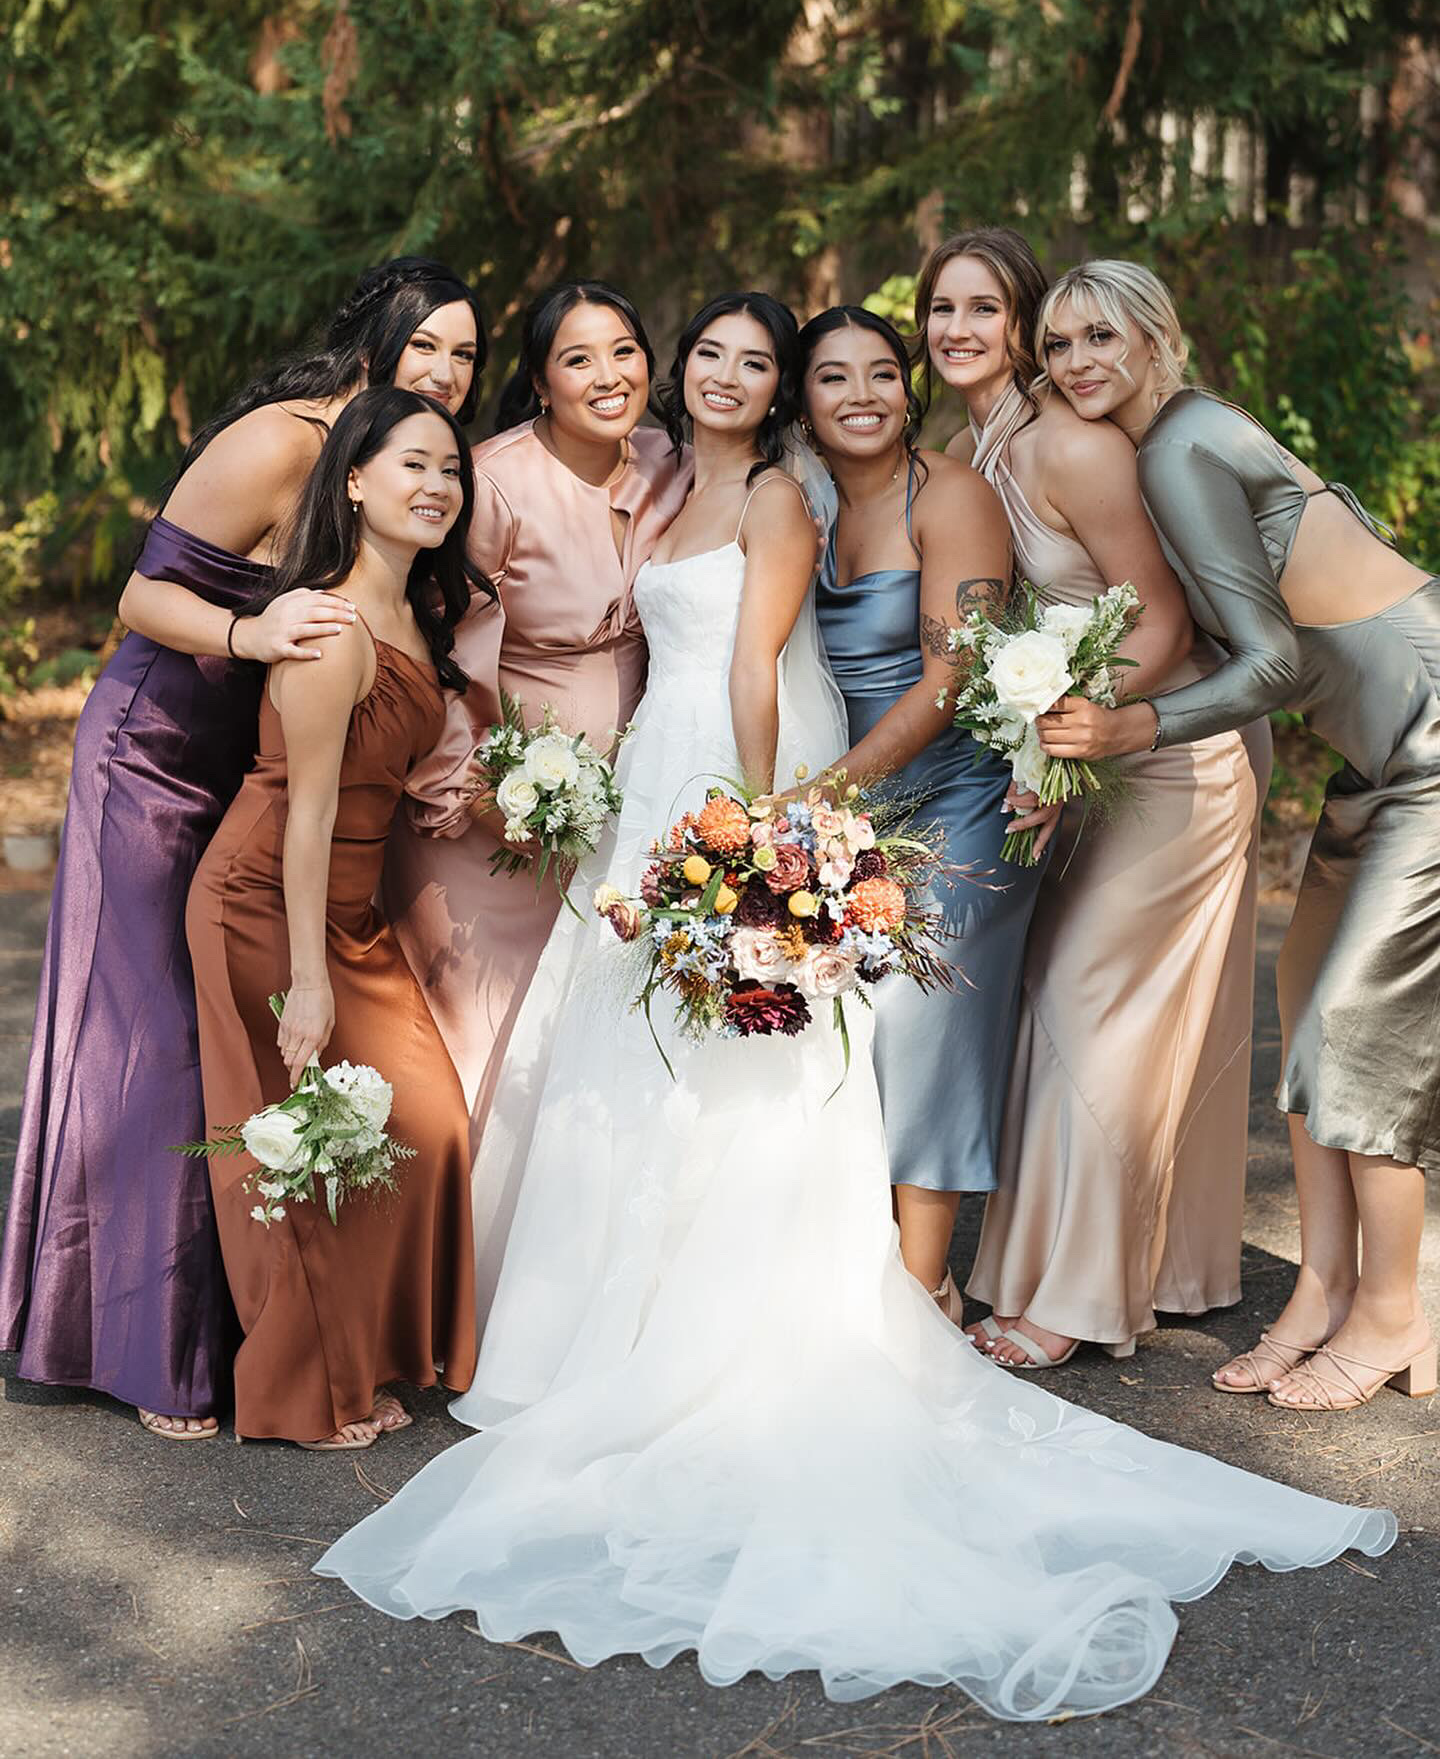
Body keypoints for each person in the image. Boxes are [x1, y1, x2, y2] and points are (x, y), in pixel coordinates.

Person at [315, 306, 1394, 1721]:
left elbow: (764, 665)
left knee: (756, 1054)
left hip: (753, 769)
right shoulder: (673, 482)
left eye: (764, 364)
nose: (733, 378)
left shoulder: (781, 494)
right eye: (725, 357)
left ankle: (799, 1300)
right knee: (635, 1057)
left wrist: (760, 820)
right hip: (668, 765)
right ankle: (604, 1320)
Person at [0, 258, 483, 1441]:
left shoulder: (407, 467)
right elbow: (140, 598)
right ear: (373, 341)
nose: (445, 371)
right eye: (425, 344)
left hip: (252, 764)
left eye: (466, 354)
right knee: (155, 1043)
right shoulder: (284, 441)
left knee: (235, 1055)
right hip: (157, 753)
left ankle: (255, 1335)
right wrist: (250, 630)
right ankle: (142, 1351)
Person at [1035, 259, 1437, 1413]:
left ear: (1155, 335)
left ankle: (1395, 1313)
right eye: (1058, 345)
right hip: (1380, 761)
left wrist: (1132, 726)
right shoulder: (1182, 440)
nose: (1079, 361)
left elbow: (1267, 663)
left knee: (1357, 1033)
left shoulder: (1180, 446)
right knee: (1307, 1020)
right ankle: (1323, 1292)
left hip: (1431, 745)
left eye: (1101, 335)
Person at [919, 229, 1267, 1369]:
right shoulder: (970, 447)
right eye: (942, 309)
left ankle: (1072, 1300)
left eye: (986, 309)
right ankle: (1129, 1265)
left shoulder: (1073, 445)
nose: (960, 330)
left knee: (1087, 1005)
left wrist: (1062, 744)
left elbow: (1159, 620)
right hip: (1088, 752)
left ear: (1017, 324)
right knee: (1072, 1007)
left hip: (1168, 757)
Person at [186, 388, 482, 1450]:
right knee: (301, 1148)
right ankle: (305, 1391)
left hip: (346, 910)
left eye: (450, 468)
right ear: (353, 479)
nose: (436, 485)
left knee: (431, 1123)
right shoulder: (330, 626)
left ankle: (375, 1350)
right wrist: (308, 982)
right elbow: (308, 815)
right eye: (412, 463)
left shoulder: (418, 613)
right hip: (265, 904)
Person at [380, 284, 690, 1256]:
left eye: (625, 350)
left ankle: (558, 1282)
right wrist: (474, 797)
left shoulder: (670, 460)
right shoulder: (495, 483)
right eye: (578, 359)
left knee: (581, 1045)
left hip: (629, 803)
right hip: (497, 811)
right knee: (491, 1044)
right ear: (542, 381)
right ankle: (455, 1288)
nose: (609, 376)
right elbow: (443, 653)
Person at [799, 305, 1045, 1315]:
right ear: (801, 402)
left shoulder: (951, 495)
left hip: (960, 796)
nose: (862, 395)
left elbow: (953, 677)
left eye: (881, 373)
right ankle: (854, 1259)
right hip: (854, 803)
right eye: (833, 376)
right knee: (831, 1011)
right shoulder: (801, 501)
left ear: (909, 390)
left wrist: (825, 792)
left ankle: (922, 1284)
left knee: (920, 1003)